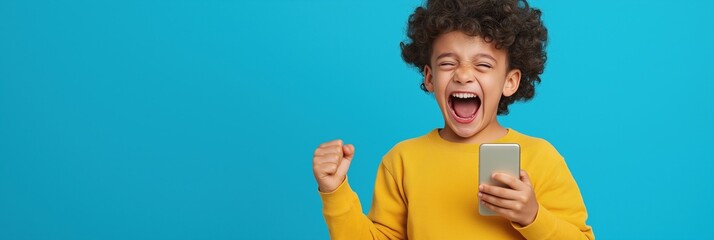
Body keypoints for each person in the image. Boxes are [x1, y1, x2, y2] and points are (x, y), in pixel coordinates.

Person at [312, 0, 594, 238]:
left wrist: (533, 216)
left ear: (510, 81)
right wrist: (334, 190)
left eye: (483, 65)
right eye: (448, 63)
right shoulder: (402, 160)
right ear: (430, 78)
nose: (462, 74)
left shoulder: (540, 158)